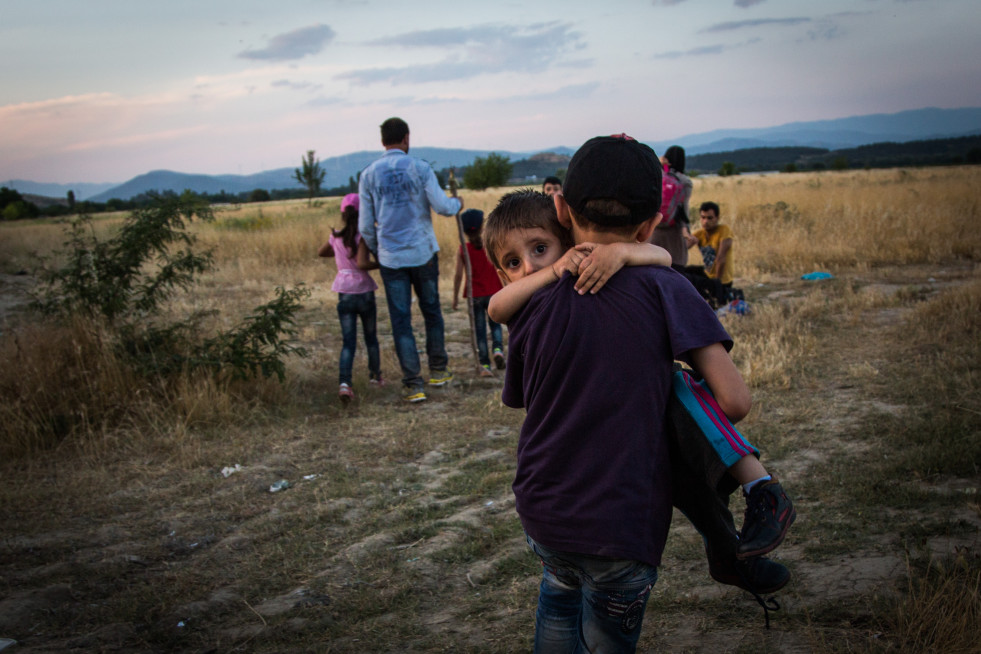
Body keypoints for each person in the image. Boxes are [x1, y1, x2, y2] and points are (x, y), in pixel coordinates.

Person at [485, 136, 792, 651]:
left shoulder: (530, 307)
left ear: (561, 212)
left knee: (558, 609)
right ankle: (750, 506)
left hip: (543, 511)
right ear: (653, 224)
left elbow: (525, 388)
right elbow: (735, 402)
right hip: (620, 525)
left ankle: (728, 544)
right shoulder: (666, 287)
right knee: (674, 387)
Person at [358, 117, 462, 403]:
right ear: (406, 138)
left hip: (391, 258)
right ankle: (439, 371)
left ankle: (413, 383)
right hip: (422, 252)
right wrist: (458, 204)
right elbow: (442, 206)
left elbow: (366, 225)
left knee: (401, 320)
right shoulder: (420, 168)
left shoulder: (368, 175)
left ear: (383, 141)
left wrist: (379, 251)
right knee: (432, 312)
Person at [317, 193, 383, 403]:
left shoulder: (336, 236)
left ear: (343, 214)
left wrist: (339, 256)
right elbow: (363, 263)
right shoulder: (362, 236)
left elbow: (322, 252)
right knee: (371, 337)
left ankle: (345, 383)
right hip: (363, 291)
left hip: (344, 292)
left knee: (348, 342)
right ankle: (375, 377)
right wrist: (380, 264)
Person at [452, 209, 506, 376]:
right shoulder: (491, 244)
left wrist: (455, 297)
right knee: (495, 324)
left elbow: (459, 275)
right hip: (494, 293)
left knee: (480, 330)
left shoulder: (464, 249)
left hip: (474, 296)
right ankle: (498, 349)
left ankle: (485, 366)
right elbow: (501, 267)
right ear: (483, 226)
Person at [652, 144, 694, 266]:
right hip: (674, 235)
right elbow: (684, 209)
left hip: (654, 231)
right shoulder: (685, 181)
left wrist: (661, 163)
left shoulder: (657, 176)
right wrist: (687, 230)